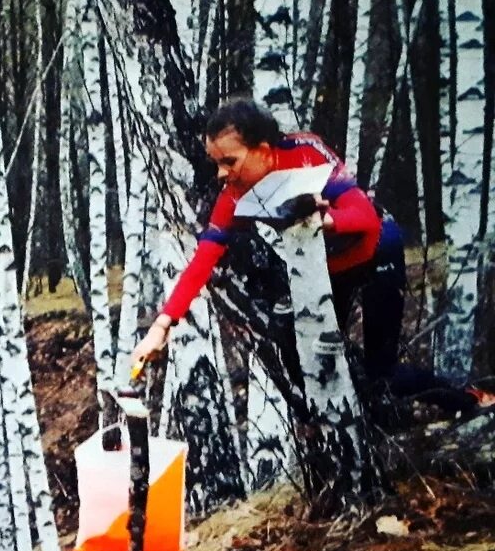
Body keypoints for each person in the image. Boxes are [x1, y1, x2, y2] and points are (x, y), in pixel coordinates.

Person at [130, 97, 493, 413]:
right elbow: (204, 257)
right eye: (216, 164)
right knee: (313, 358)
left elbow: (364, 217)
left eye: (229, 161)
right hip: (328, 268)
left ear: (263, 149)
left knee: (382, 372)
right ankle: (353, 430)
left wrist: (326, 219)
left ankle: (467, 399)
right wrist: (163, 325)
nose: (222, 174)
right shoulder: (234, 195)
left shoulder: (307, 155)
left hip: (378, 247)